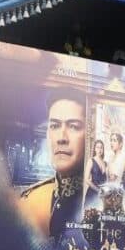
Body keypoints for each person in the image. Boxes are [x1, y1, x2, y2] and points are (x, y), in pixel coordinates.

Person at [17, 88, 96, 240]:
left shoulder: (106, 201)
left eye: (73, 126)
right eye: (54, 126)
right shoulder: (31, 201)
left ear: (91, 136)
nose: (61, 138)